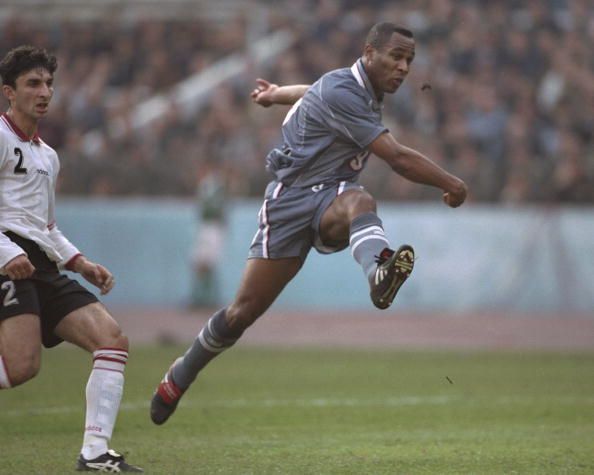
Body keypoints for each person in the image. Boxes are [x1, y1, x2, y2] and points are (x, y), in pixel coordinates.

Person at [150, 22, 467, 425]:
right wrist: (452, 184)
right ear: (369, 53)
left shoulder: (353, 88)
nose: (404, 67)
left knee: (361, 200)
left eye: (410, 60)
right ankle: (179, 375)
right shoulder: (343, 91)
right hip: (289, 205)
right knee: (240, 314)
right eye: (396, 57)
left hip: (332, 197)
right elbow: (398, 158)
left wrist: (273, 94)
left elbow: (307, 91)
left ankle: (379, 271)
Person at [0, 46, 142, 472]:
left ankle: (95, 455)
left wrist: (81, 263)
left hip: (39, 263)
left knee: (112, 340)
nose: (44, 92)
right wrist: (6, 252)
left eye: (48, 84)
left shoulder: (48, 155)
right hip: (6, 257)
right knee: (22, 367)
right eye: (33, 84)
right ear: (9, 91)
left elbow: (46, 227)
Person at [189, 162, 228, 309]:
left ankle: (208, 299)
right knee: (200, 262)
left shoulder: (214, 186)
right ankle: (200, 297)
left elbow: (215, 209)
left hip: (213, 228)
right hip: (207, 227)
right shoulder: (206, 186)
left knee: (209, 263)